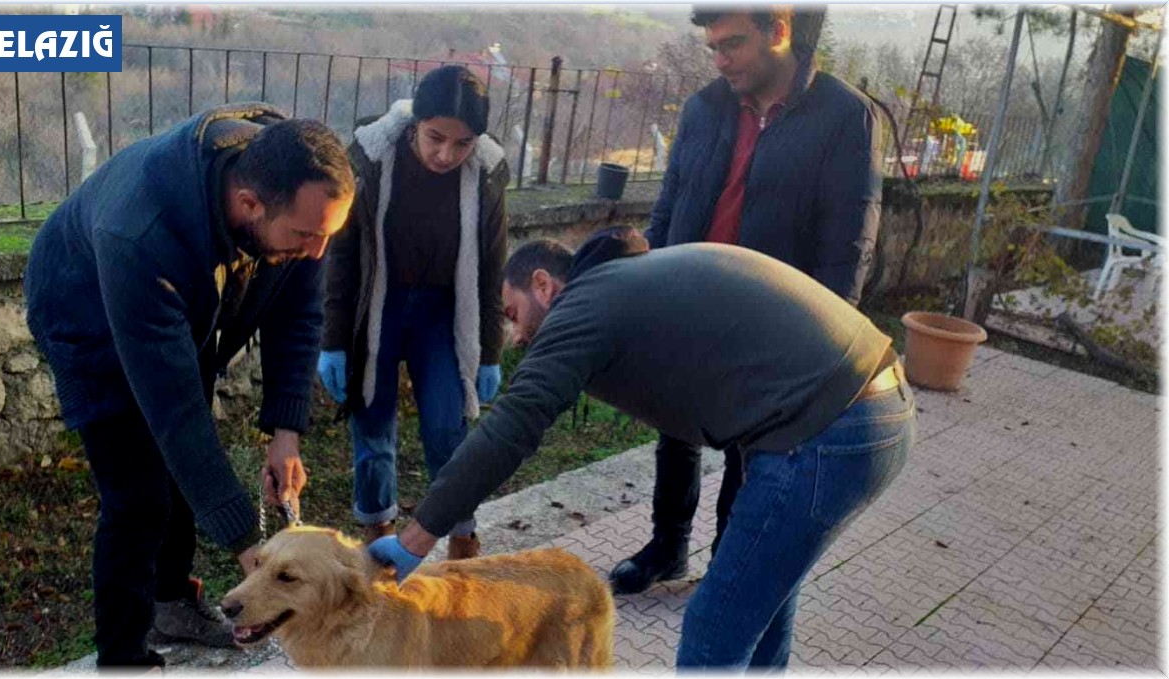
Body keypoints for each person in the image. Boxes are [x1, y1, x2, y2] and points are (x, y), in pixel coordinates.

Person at [369, 231, 915, 670]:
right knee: (762, 607)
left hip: (831, 430)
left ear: (543, 285)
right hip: (864, 407)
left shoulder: (586, 305)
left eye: (512, 314)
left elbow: (511, 428)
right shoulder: (622, 285)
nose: (516, 338)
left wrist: (417, 538)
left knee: (715, 628)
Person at [24, 104, 355, 669]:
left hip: (180, 305)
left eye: (326, 236)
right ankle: (122, 657)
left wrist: (286, 432)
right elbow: (177, 418)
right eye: (306, 236)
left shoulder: (296, 187)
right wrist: (256, 556)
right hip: (83, 318)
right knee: (138, 496)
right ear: (248, 204)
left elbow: (298, 313)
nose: (316, 253)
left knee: (180, 474)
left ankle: (171, 601)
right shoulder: (140, 230)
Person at [617, 5, 885, 595]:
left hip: (773, 325)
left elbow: (849, 243)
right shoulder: (705, 108)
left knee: (754, 452)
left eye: (733, 44)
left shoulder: (845, 117)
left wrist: (827, 344)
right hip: (690, 304)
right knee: (675, 432)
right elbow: (670, 206)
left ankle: (726, 561)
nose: (720, 60)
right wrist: (644, 284)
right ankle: (667, 547)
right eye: (713, 46)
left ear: (779, 31)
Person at [317, 65, 508, 559]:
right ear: (415, 124)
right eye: (435, 138)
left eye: (462, 143)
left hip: (441, 315)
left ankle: (462, 541)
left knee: (447, 428)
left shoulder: (486, 174)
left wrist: (489, 351)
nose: (446, 155)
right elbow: (343, 256)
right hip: (376, 310)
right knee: (373, 430)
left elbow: (490, 269)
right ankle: (378, 542)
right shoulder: (372, 158)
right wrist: (333, 341)